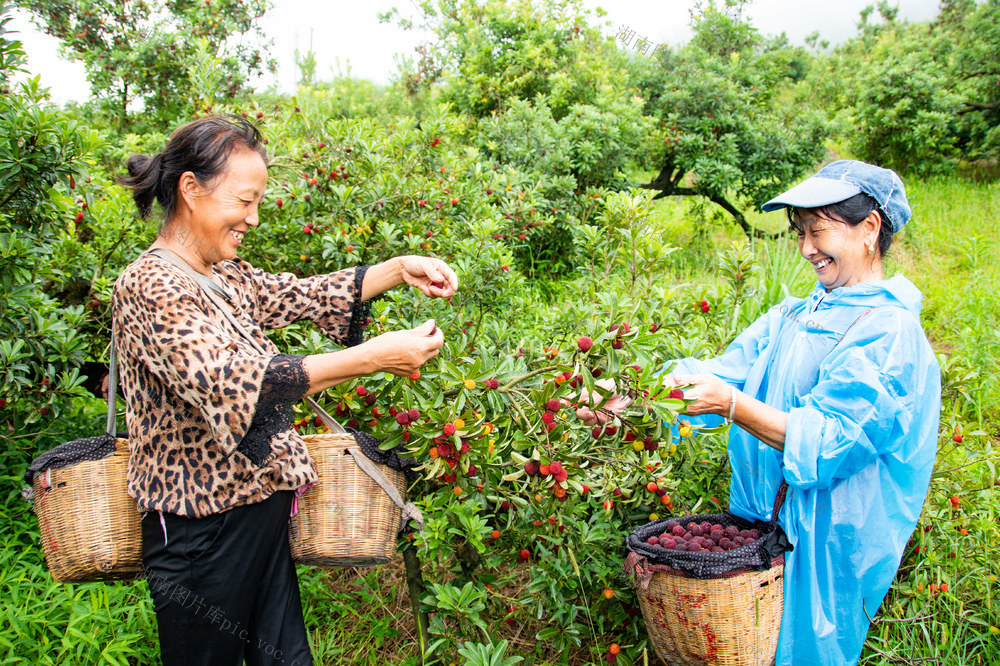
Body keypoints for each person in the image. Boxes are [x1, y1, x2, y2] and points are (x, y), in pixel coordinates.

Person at [112, 115, 457, 666]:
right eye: (243, 201)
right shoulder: (150, 284)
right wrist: (369, 359)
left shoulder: (223, 274)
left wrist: (399, 268)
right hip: (200, 531)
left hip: (259, 509)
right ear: (191, 189)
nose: (252, 217)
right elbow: (227, 383)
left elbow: (303, 294)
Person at [579, 160, 941, 665]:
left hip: (827, 544)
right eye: (799, 233)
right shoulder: (798, 313)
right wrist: (630, 395)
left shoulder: (888, 333)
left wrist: (731, 406)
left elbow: (828, 442)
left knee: (805, 653)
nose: (806, 248)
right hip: (759, 532)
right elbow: (726, 372)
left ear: (870, 229)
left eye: (818, 231)